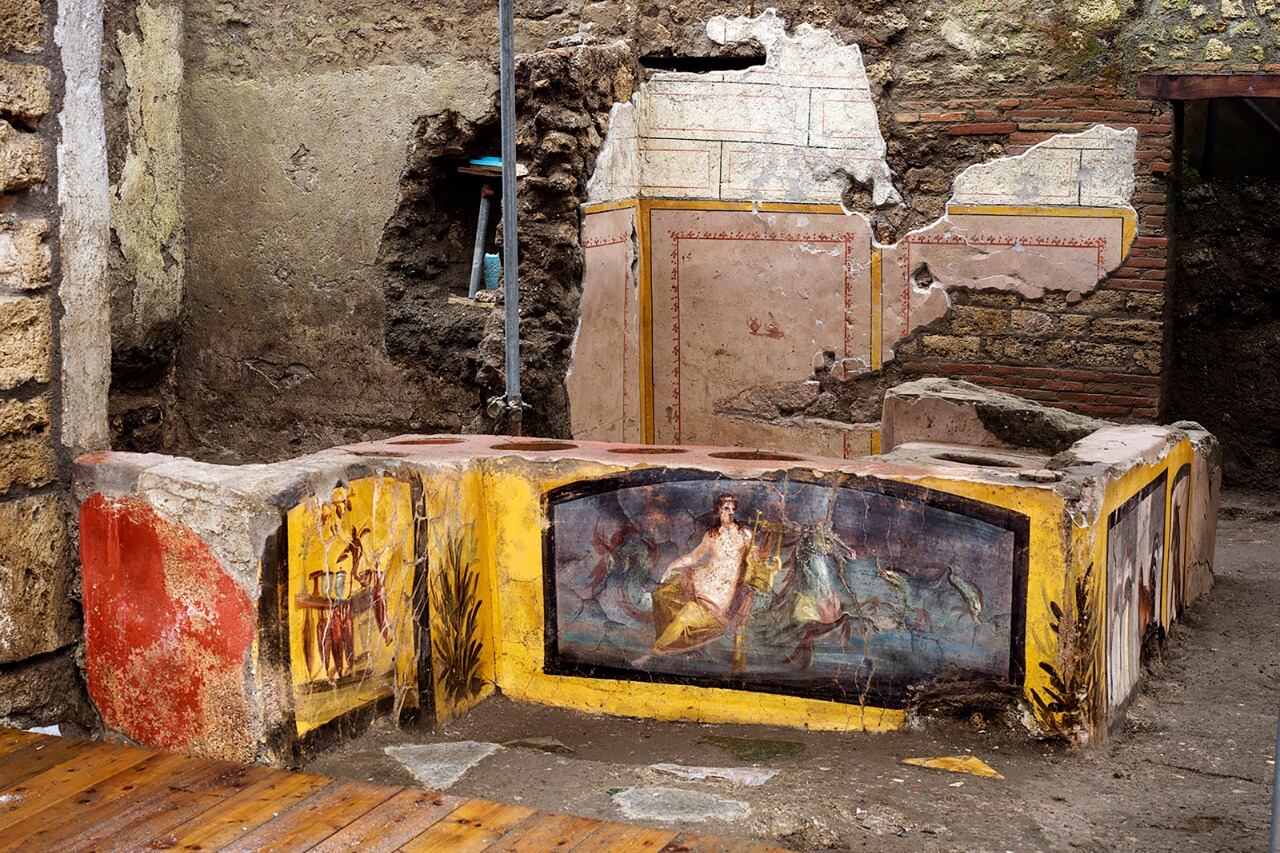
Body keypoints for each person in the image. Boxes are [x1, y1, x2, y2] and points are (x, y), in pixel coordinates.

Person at [651, 494, 754, 655]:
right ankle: (662, 644)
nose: (731, 512)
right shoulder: (712, 535)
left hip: (720, 593)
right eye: (726, 508)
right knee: (661, 596)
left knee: (684, 617)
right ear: (718, 511)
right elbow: (694, 556)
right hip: (702, 581)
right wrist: (672, 565)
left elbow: (753, 560)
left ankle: (657, 650)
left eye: (733, 509)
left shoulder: (745, 533)